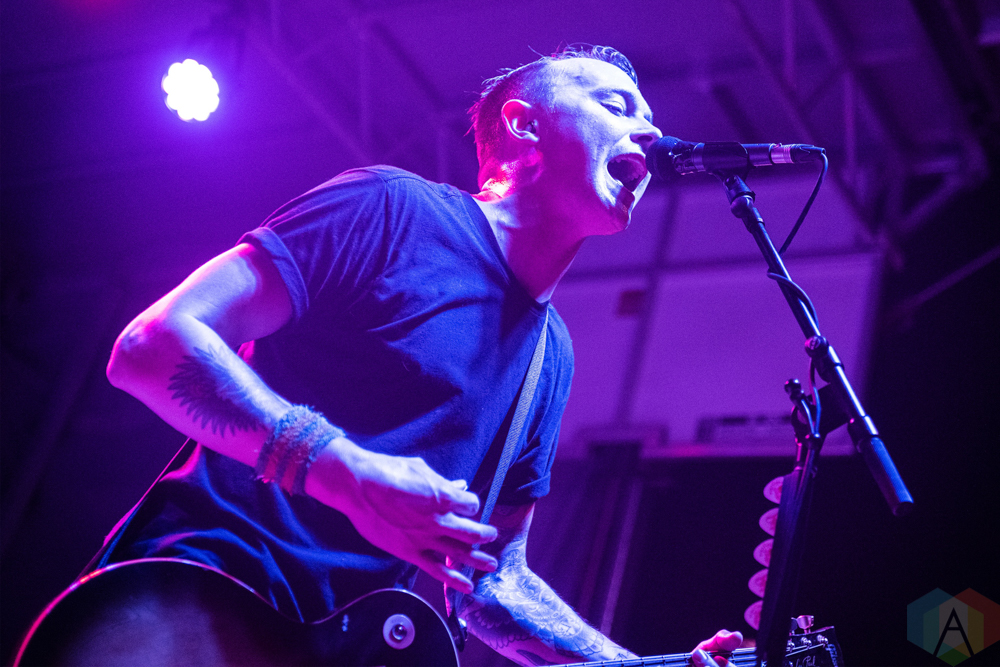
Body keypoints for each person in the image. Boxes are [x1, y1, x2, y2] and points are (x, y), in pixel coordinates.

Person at [104, 44, 742, 665]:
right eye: (616, 106)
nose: (649, 133)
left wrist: (629, 663)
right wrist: (346, 471)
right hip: (189, 602)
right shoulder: (390, 208)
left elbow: (493, 579)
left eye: (649, 118)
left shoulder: (550, 356)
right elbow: (151, 344)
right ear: (524, 125)